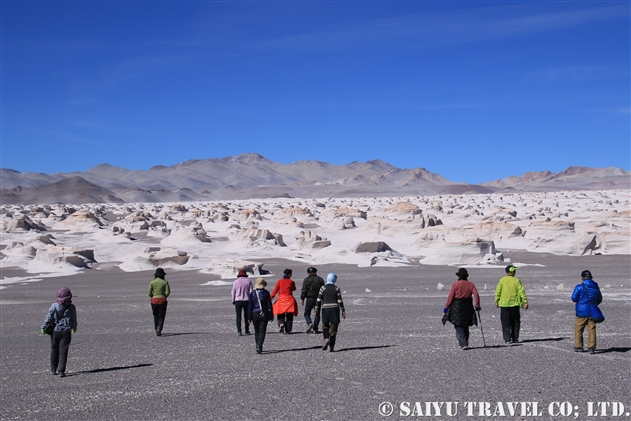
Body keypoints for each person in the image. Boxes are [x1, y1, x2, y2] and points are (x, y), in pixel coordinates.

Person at [41, 287, 78, 377]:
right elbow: (73, 319)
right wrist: (74, 327)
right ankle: (61, 371)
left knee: (54, 350)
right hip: (66, 331)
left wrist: (43, 327)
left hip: (55, 331)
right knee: (63, 351)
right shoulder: (72, 307)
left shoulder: (54, 306)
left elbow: (49, 317)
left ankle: (53, 370)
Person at [444, 268, 480, 350]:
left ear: (459, 276)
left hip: (457, 306)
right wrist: (477, 305)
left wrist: (446, 307)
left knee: (458, 325)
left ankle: (463, 343)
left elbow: (450, 297)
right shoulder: (470, 284)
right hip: (468, 306)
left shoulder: (455, 284)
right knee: (465, 325)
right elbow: (476, 295)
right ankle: (465, 342)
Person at [495, 264, 528, 344]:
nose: (515, 272)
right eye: (514, 270)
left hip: (504, 304)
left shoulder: (502, 280)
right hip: (514, 304)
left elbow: (498, 291)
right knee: (515, 321)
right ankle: (515, 338)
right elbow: (521, 291)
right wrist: (525, 301)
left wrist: (497, 300)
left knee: (505, 321)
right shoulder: (516, 280)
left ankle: (507, 339)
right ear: (511, 272)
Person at [572, 270, 602, 354]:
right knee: (592, 330)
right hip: (592, 313)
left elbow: (574, 298)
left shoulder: (579, 287)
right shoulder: (595, 287)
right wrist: (593, 305)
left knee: (579, 330)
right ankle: (591, 347)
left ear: (582, 277)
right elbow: (599, 299)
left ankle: (579, 346)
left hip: (581, 312)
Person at [314, 273, 346, 352]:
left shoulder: (322, 288)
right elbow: (339, 300)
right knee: (333, 328)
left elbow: (318, 300)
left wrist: (316, 311)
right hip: (335, 309)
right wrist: (343, 310)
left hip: (325, 309)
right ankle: (331, 347)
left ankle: (326, 339)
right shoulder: (336, 288)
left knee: (325, 325)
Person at [247, 278, 274, 354]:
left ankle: (257, 345)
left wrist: (249, 317)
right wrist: (271, 315)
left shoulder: (252, 293)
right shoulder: (266, 293)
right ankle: (259, 345)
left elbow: (250, 306)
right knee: (262, 331)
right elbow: (269, 305)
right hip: (263, 314)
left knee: (256, 331)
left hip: (254, 314)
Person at [270, 269, 298, 333]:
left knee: (280, 313)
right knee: (289, 315)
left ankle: (281, 323)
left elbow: (274, 292)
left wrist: (269, 299)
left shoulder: (279, 281)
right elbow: (294, 288)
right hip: (289, 299)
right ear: (289, 274)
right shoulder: (291, 281)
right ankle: (288, 329)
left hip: (281, 299)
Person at [300, 266, 325, 334]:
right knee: (317, 313)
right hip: (318, 299)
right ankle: (315, 328)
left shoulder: (307, 280)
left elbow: (304, 290)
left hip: (310, 299)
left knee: (307, 313)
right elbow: (323, 290)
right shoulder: (320, 279)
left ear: (309, 273)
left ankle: (309, 323)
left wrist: (302, 298)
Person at [148, 268, 170, 336]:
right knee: (161, 316)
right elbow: (168, 292)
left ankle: (156, 328)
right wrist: (164, 296)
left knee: (155, 315)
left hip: (154, 301)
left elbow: (149, 292)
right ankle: (159, 328)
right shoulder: (165, 282)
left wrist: (152, 296)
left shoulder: (152, 282)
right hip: (162, 300)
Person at [232, 269, 253, 336]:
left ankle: (239, 330)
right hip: (246, 300)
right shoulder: (248, 281)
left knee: (238, 316)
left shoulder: (235, 282)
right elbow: (251, 292)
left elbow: (233, 292)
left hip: (238, 300)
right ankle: (247, 330)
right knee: (246, 316)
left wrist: (233, 300)